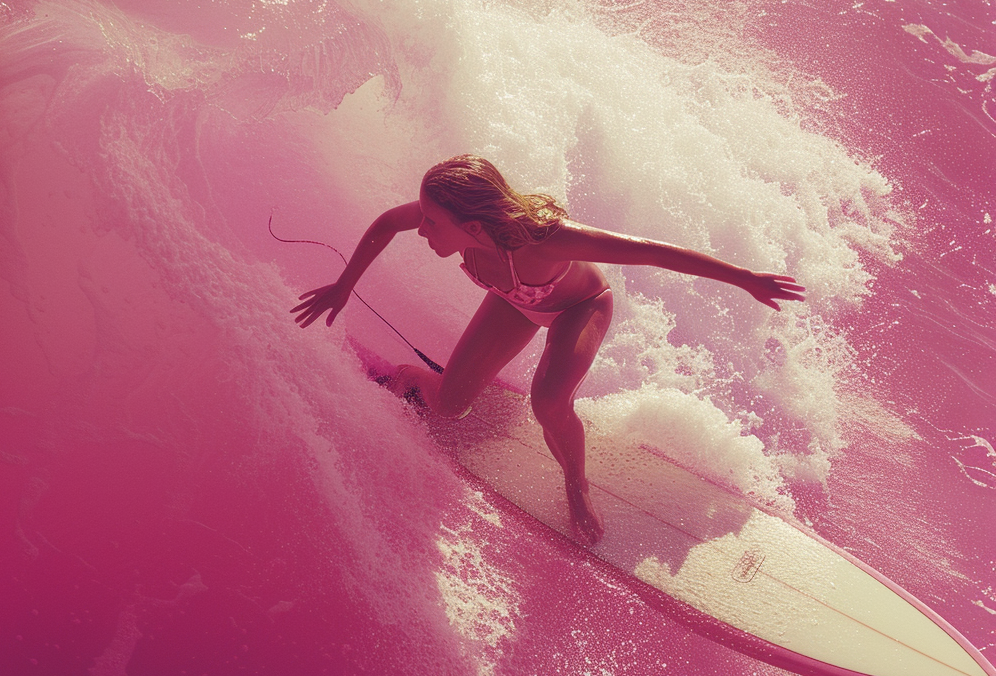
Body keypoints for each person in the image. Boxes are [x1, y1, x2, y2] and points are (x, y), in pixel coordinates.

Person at [291, 155, 805, 545]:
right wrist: (343, 285)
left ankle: (577, 484)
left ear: (472, 227)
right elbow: (386, 223)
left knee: (549, 402)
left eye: (430, 221)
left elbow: (651, 252)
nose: (420, 227)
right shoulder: (458, 225)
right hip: (513, 303)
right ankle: (412, 375)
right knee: (449, 406)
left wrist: (744, 278)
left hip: (577, 307)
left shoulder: (546, 241)